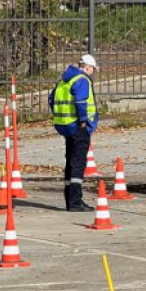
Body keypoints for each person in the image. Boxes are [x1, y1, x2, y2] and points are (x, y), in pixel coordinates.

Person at [49, 54, 99, 212]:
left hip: (65, 125)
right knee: (78, 163)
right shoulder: (82, 80)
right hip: (79, 126)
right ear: (88, 67)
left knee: (70, 162)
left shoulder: (64, 80)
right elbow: (80, 100)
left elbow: (51, 99)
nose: (93, 73)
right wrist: (83, 119)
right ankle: (76, 201)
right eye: (93, 70)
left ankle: (70, 200)